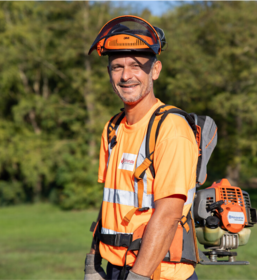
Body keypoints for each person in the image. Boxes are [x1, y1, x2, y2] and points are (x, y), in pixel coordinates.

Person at [84, 16, 199, 280]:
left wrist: (138, 277)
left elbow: (169, 214)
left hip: (157, 274)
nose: (125, 76)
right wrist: (92, 262)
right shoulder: (113, 128)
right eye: (117, 67)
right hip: (115, 269)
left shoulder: (171, 128)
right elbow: (109, 205)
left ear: (155, 70)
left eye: (136, 66)